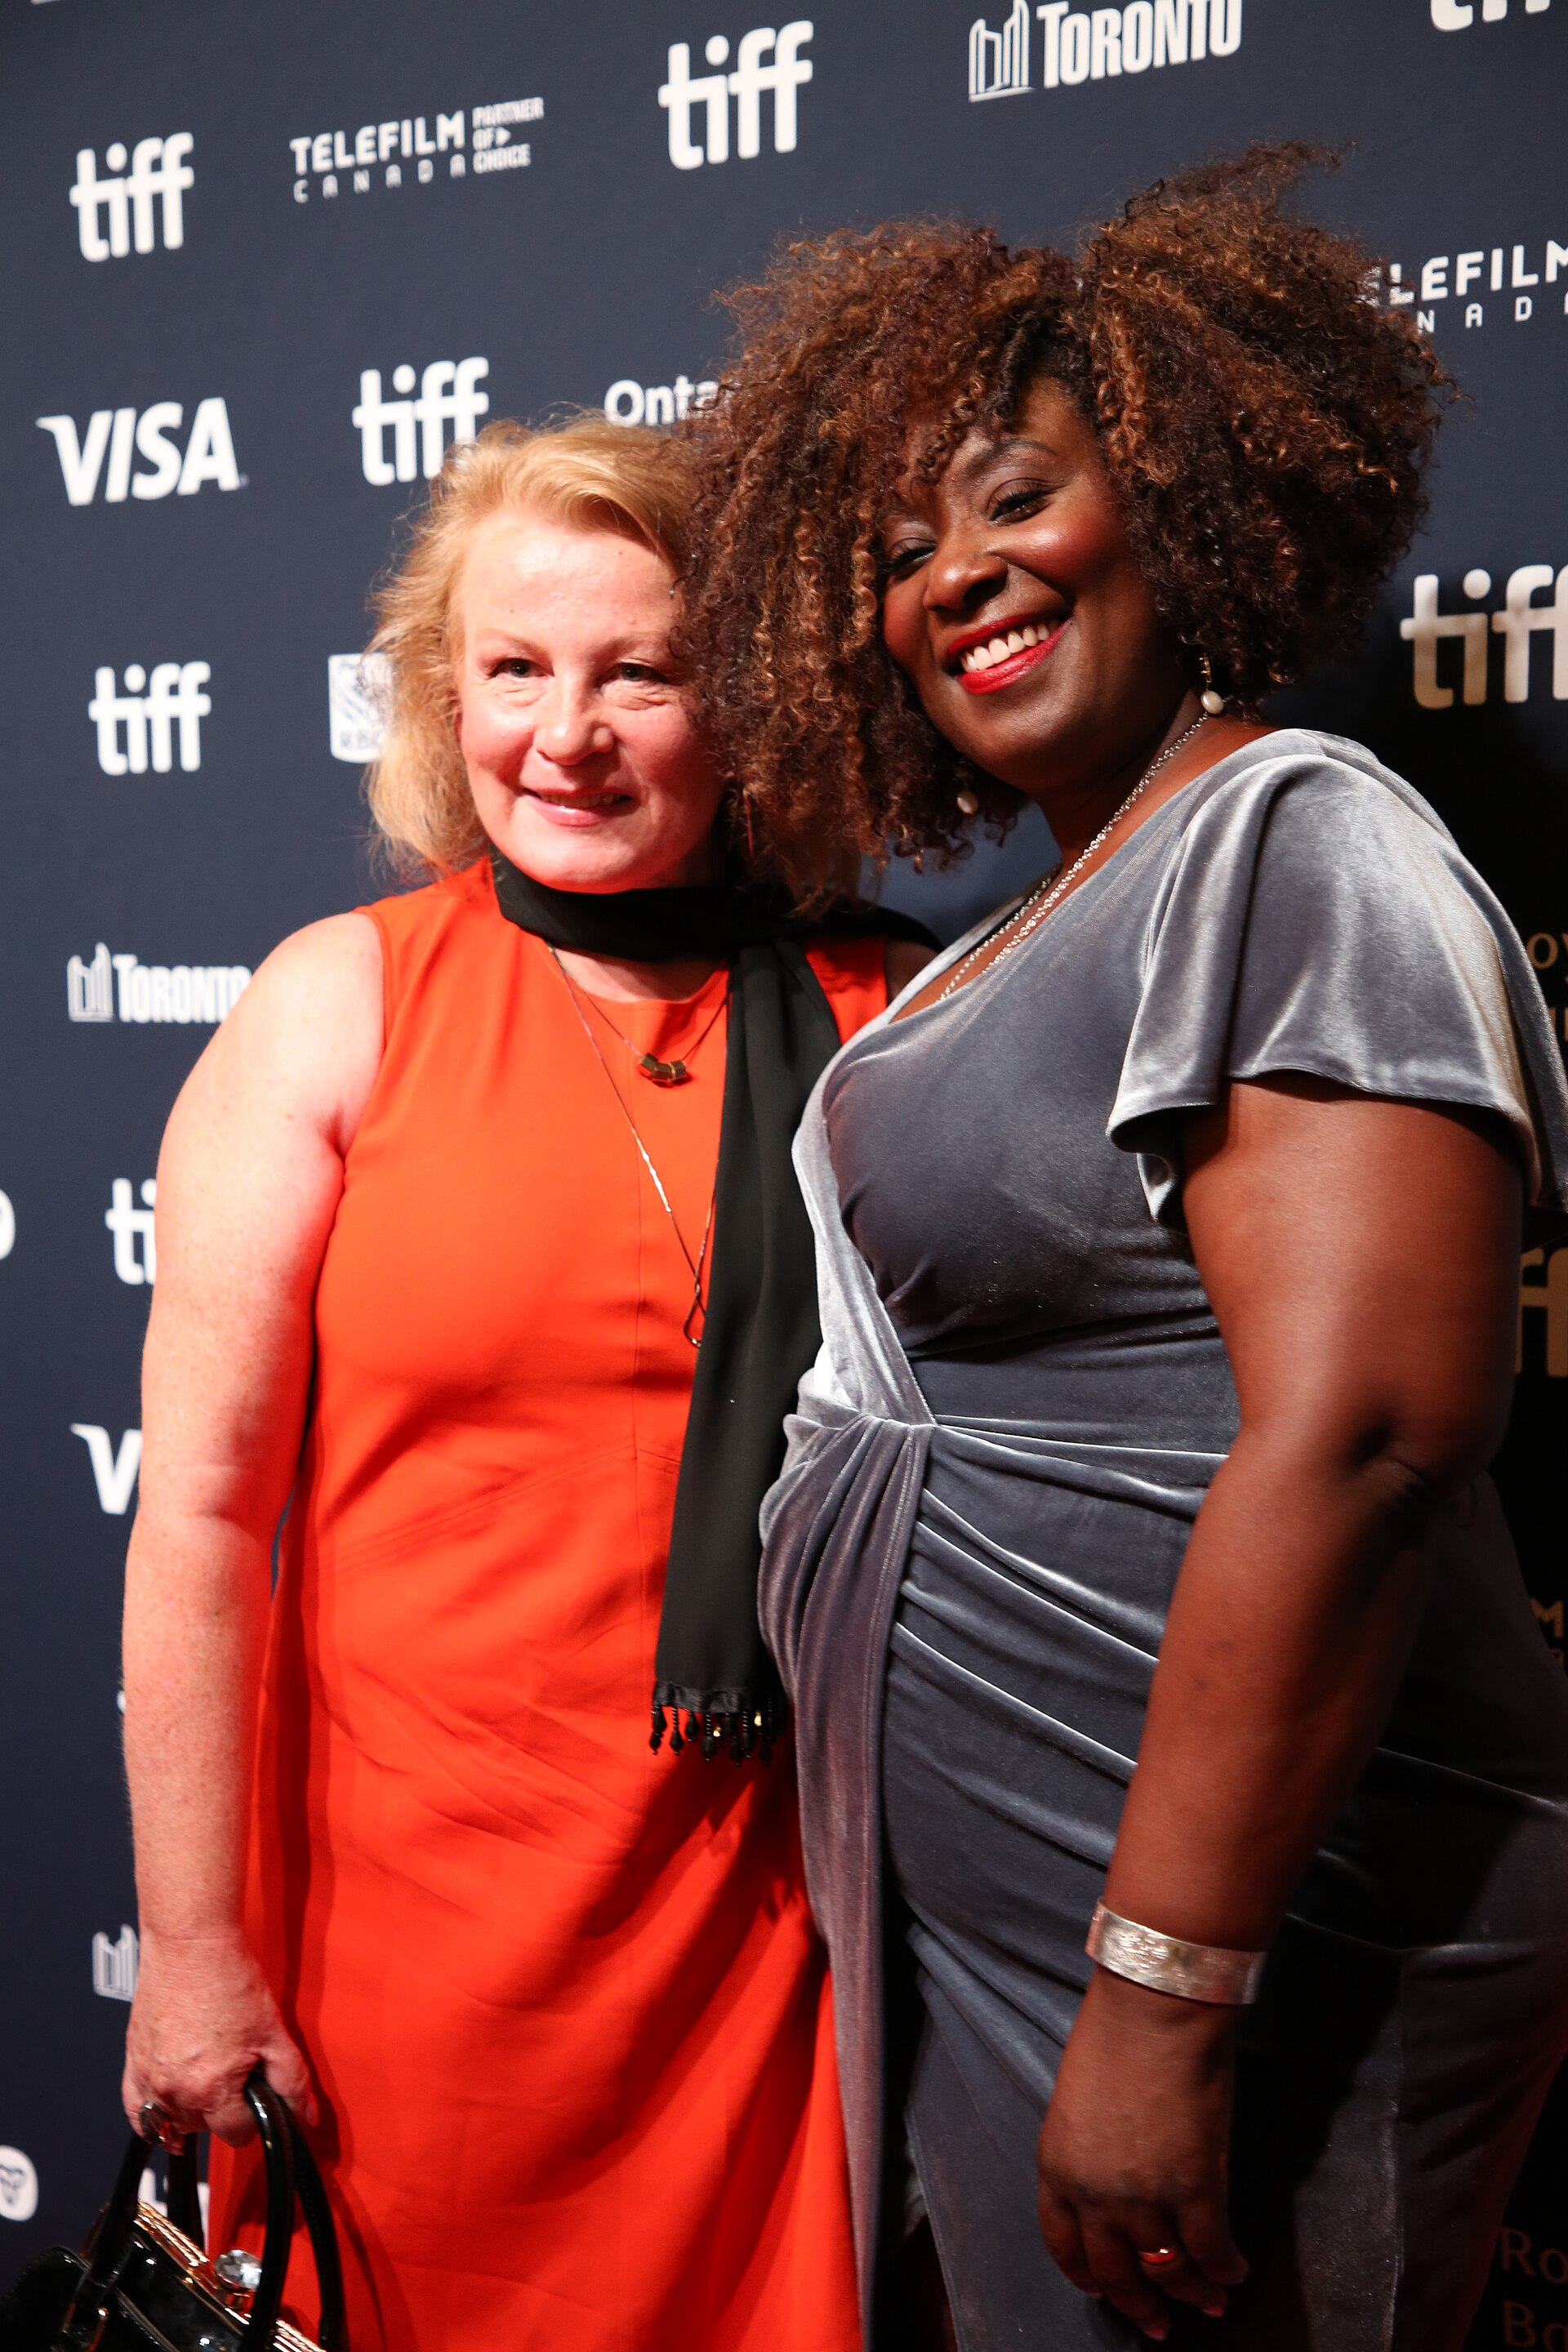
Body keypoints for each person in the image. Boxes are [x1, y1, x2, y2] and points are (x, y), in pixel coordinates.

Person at [681, 149, 1568, 2350]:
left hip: (1243, 1948)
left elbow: (1367, 1438)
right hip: (1022, 1933)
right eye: (900, 555)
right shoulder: (1030, 923)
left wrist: (1164, 2000)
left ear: (1177, 501)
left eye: (1014, 500)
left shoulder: (1295, 839)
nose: (956, 576)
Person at [119, 416, 929, 2351]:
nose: (566, 734)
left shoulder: (892, 1017)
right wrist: (193, 1954)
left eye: (640, 671)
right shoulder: (338, 1003)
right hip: (404, 1958)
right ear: (444, 695)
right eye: (513, 669)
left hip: (767, 1952)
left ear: (750, 699)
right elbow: (204, 1521)